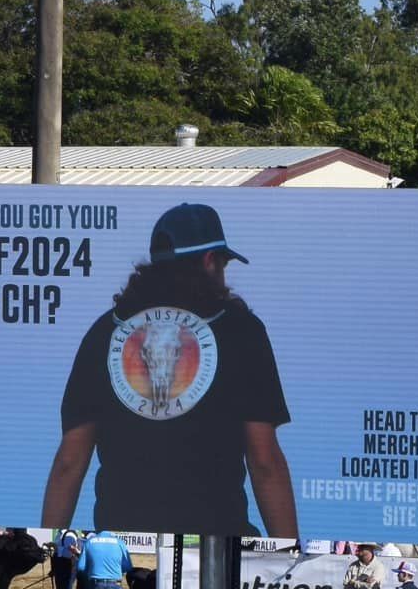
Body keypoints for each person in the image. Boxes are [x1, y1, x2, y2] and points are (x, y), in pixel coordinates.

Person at [41, 202, 298, 538]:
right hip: (214, 548)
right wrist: (291, 553)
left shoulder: (104, 332)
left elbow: (68, 463)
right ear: (210, 261)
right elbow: (264, 462)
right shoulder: (241, 331)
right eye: (223, 265)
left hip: (125, 547)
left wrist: (47, 546)